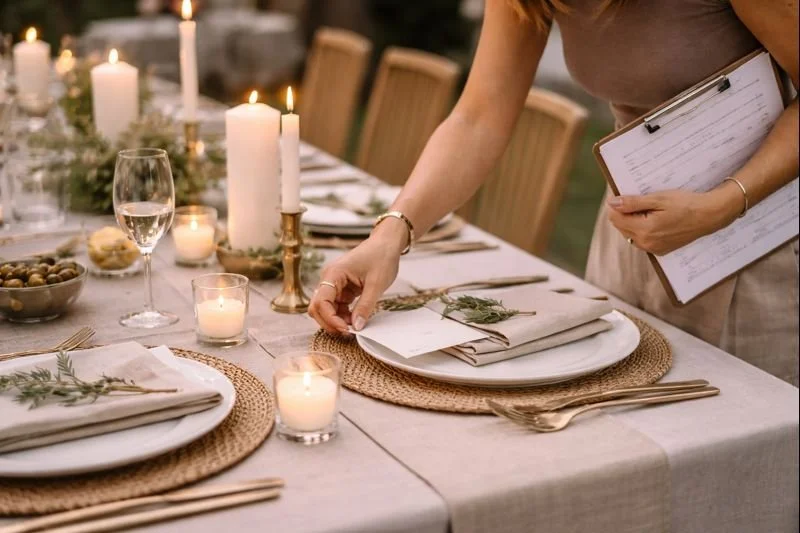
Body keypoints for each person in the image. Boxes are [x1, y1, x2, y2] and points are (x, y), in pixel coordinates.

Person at [308, 0, 799, 386]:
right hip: (635, 240)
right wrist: (390, 234)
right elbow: (479, 116)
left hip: (760, 241)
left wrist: (725, 203)